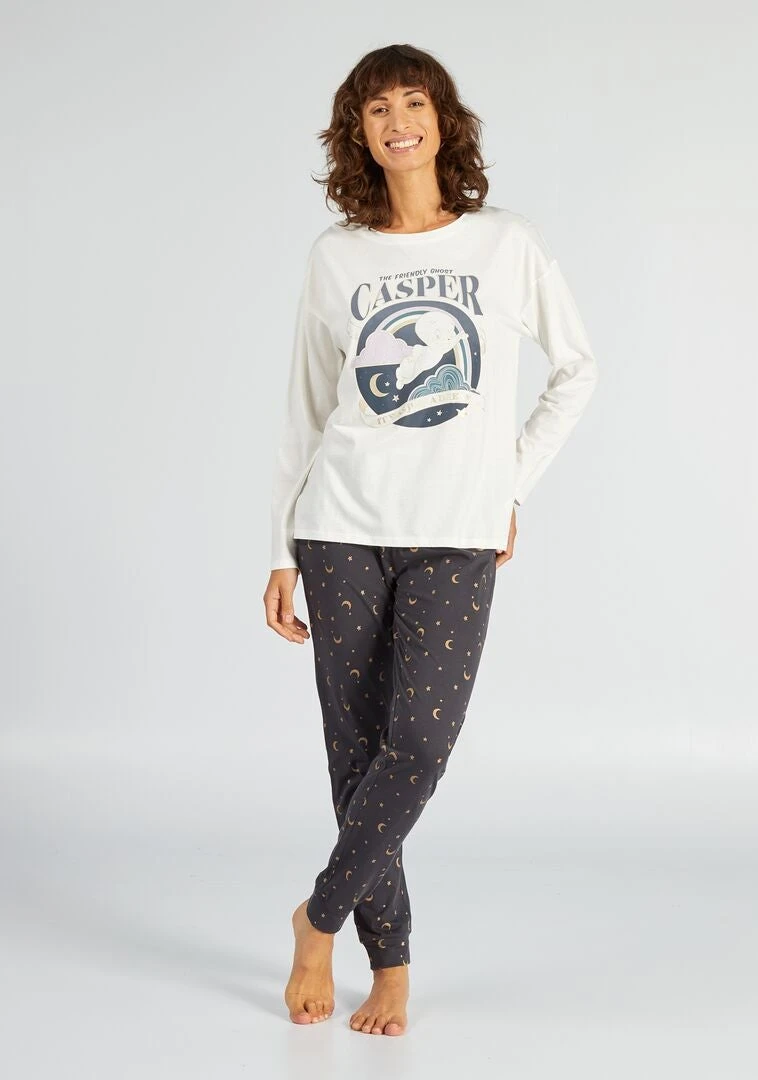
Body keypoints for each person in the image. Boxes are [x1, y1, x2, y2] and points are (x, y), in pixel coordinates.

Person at [263, 43, 599, 1036]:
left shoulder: (507, 245)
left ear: (445, 120)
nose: (398, 121)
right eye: (377, 109)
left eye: (414, 102)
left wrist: (510, 483)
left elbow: (577, 369)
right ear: (357, 133)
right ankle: (391, 964)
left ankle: (317, 917)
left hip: (456, 532)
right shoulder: (336, 257)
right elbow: (305, 412)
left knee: (416, 746)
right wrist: (279, 548)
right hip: (340, 527)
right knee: (356, 754)